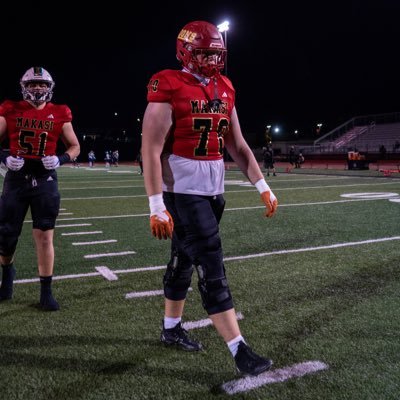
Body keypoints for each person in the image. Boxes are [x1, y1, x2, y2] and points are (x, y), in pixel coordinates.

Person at [141, 20, 278, 376]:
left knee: (183, 260)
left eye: (216, 53)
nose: (211, 60)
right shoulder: (168, 83)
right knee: (211, 263)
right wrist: (156, 205)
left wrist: (261, 185)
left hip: (213, 191)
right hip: (182, 192)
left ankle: (171, 330)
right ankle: (239, 350)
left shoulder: (225, 86)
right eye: (203, 53)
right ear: (185, 51)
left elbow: (237, 143)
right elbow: (151, 149)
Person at [0, 66, 80, 310]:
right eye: (33, 84)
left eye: (42, 84)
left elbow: (75, 146)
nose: (37, 88)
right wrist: (4, 158)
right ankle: (7, 273)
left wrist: (61, 159)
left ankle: (46, 291)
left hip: (45, 177)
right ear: (24, 87)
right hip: (16, 177)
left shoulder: (60, 112)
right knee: (6, 236)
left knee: (45, 235)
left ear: (50, 87)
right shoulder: (10, 109)